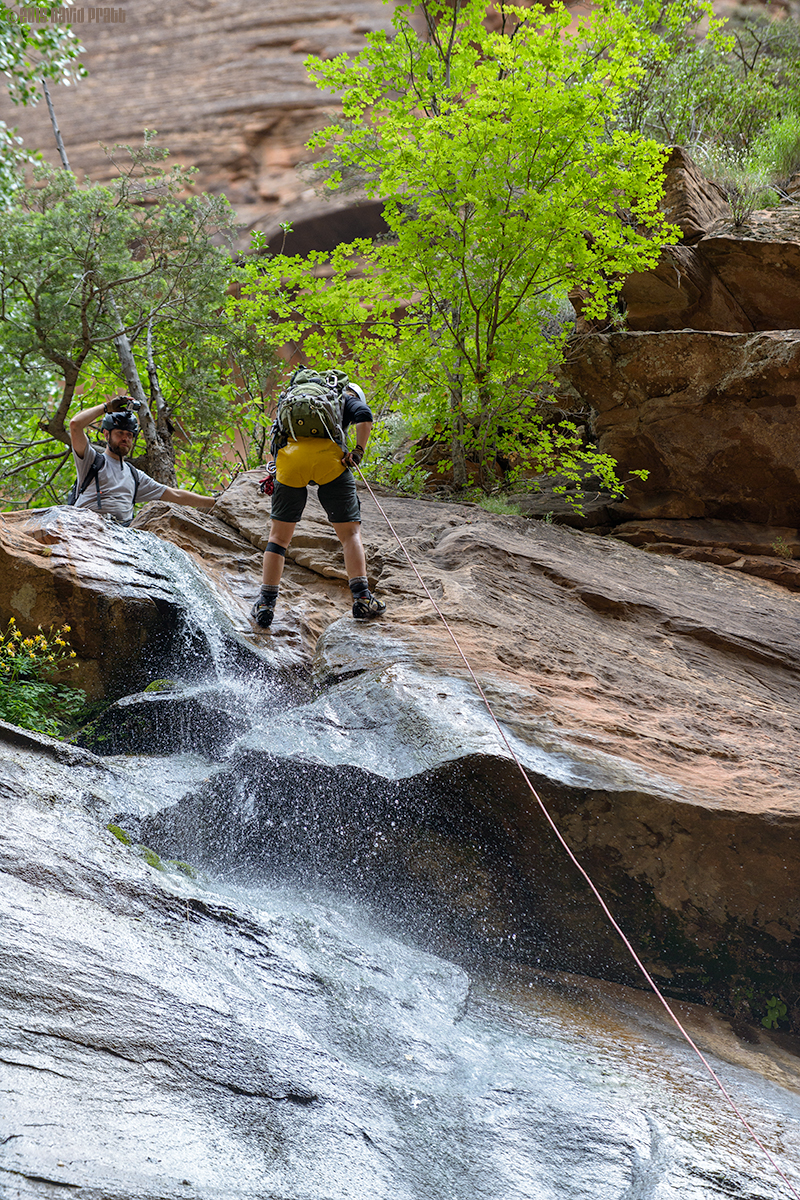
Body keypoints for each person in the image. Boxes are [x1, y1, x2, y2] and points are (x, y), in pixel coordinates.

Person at [250, 378, 386, 629]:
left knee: (278, 539)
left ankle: (266, 603)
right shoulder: (345, 398)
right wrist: (358, 451)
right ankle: (362, 598)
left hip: (290, 463)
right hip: (331, 464)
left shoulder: (296, 398)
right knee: (349, 534)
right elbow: (364, 416)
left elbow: (278, 434)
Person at [68, 395, 217, 525]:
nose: (125, 438)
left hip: (121, 536)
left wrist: (214, 503)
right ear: (106, 434)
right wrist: (107, 407)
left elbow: (175, 495)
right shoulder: (92, 460)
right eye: (120, 433)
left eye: (130, 435)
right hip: (86, 527)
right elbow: (75, 425)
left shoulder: (135, 476)